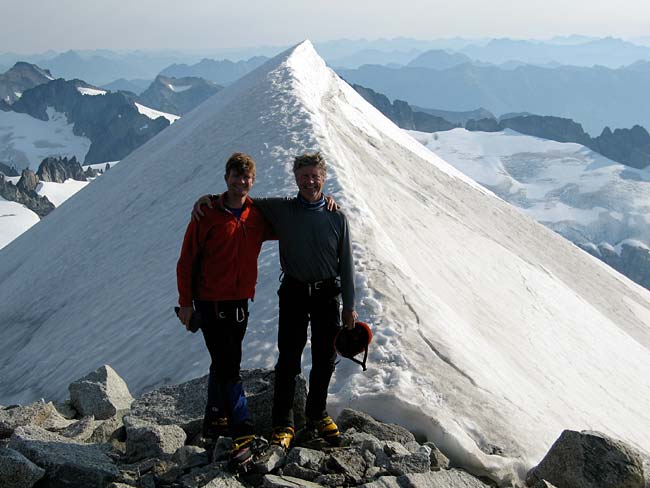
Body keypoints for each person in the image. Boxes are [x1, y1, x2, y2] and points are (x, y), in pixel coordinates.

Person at [193, 151, 358, 449]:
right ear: (295, 178)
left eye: (315, 176)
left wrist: (350, 306)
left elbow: (346, 263)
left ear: (324, 177)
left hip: (327, 295)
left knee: (325, 358)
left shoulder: (337, 216)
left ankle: (317, 413)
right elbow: (240, 200)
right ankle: (283, 422)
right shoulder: (281, 209)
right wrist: (209, 198)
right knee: (288, 359)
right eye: (304, 176)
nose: (310, 181)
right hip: (294, 292)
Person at [176, 152, 274, 466]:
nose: (240, 182)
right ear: (226, 178)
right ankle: (242, 428)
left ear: (252, 181)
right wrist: (185, 304)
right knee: (230, 364)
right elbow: (186, 260)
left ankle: (214, 420)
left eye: (246, 177)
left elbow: (289, 220)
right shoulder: (206, 214)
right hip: (210, 301)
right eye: (235, 176)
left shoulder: (256, 215)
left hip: (239, 302)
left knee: (223, 361)